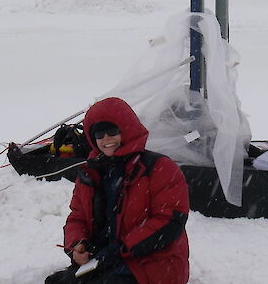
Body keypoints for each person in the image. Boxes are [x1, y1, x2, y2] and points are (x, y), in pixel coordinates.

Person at [45, 97, 190, 284]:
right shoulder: (91, 173)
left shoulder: (159, 168)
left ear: (126, 130)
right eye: (99, 134)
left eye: (111, 131)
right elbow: (78, 216)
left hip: (150, 263)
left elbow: (170, 220)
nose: (106, 139)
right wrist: (77, 245)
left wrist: (121, 248)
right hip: (102, 257)